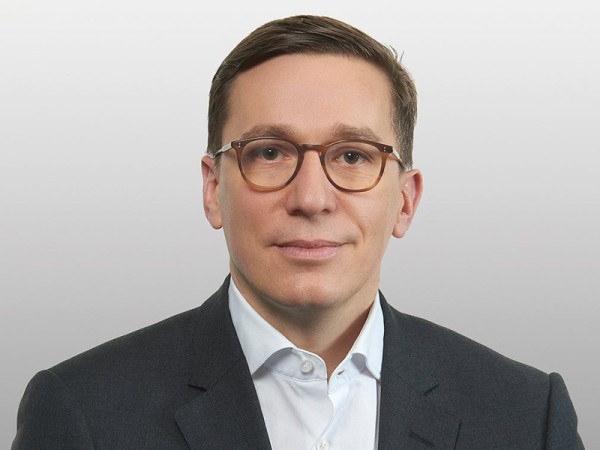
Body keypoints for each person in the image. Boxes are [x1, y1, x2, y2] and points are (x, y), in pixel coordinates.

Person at [12, 15, 584, 450]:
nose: (311, 198)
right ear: (213, 189)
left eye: (354, 155)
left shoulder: (527, 416)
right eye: (269, 152)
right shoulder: (81, 413)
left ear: (405, 201)